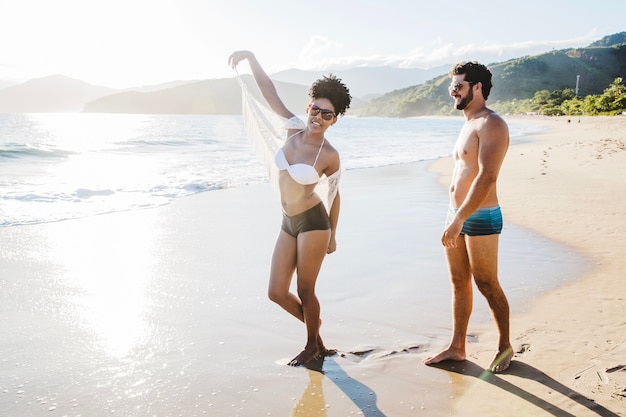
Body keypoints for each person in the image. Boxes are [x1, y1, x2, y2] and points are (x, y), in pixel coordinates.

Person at [228, 50, 351, 366]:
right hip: (288, 220)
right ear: (308, 106)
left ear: (335, 119)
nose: (318, 117)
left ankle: (313, 346)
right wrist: (251, 58)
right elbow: (269, 92)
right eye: (316, 109)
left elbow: (334, 196)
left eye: (327, 114)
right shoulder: (292, 127)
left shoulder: (330, 155)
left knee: (306, 289)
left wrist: (333, 236)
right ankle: (316, 333)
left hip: (314, 223)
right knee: (276, 291)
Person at [423, 61, 513, 373]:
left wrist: (460, 217)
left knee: (486, 282)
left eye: (459, 86)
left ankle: (505, 345)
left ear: (477, 87)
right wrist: (455, 215)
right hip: (456, 214)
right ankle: (457, 346)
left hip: (480, 216)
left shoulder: (492, 124)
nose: (453, 91)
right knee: (458, 281)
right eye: (452, 86)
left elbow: (486, 177)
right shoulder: (469, 122)